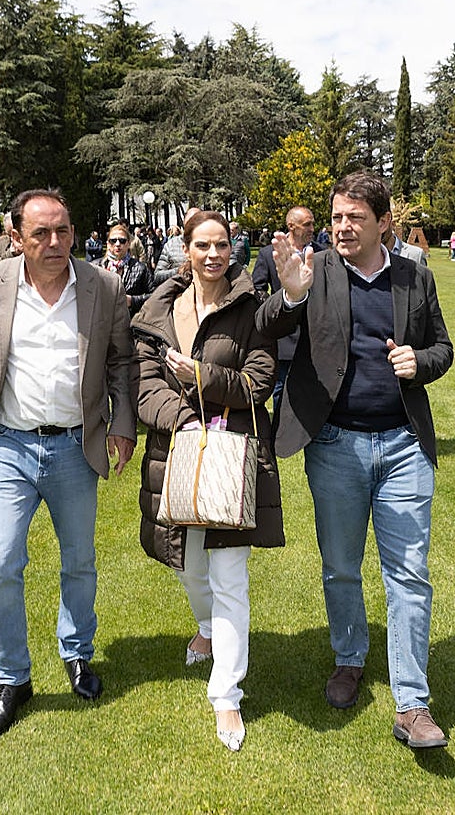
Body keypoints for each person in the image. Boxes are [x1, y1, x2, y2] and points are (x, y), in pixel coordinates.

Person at [256, 171, 454, 750]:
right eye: (336, 216)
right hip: (335, 444)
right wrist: (291, 292)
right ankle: (348, 658)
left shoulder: (414, 276)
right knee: (341, 566)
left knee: (409, 574)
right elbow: (269, 325)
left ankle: (412, 703)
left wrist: (421, 361)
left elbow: (442, 346)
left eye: (353, 218)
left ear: (383, 222)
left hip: (403, 446)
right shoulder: (313, 269)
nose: (341, 227)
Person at [0, 188, 137, 741]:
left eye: (63, 230)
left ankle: (77, 652)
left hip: (76, 447)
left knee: (79, 560)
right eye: (41, 233)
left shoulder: (102, 286)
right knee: (1, 562)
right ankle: (12, 678)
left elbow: (120, 359)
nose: (55, 242)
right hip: (10, 445)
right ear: (16, 237)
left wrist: (122, 422)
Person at [133, 209, 283, 752]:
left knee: (228, 573)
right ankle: (206, 624)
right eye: (203, 245)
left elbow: (259, 382)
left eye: (223, 244)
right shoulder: (157, 310)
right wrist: (183, 416)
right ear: (185, 249)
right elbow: (144, 385)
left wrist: (203, 379)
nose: (214, 254)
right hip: (176, 451)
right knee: (187, 562)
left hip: (232, 455)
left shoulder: (251, 310)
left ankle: (227, 694)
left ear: (234, 248)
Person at [251, 206, 325, 412]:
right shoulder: (269, 254)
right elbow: (257, 288)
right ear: (291, 226)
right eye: (307, 224)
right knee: (282, 390)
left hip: (316, 335)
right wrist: (279, 305)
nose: (312, 228)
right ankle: (281, 435)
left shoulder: (322, 253)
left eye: (312, 223)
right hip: (284, 337)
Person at [95, 223, 153, 314]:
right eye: (113, 241)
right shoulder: (96, 267)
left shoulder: (141, 268)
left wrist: (132, 301)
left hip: (130, 321)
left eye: (122, 241)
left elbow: (154, 296)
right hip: (101, 320)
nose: (117, 244)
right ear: (108, 244)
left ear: (128, 244)